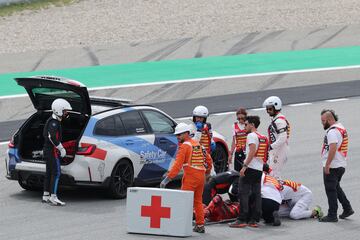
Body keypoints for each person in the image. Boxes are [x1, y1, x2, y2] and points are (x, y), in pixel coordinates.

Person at [160, 123, 212, 233]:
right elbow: (209, 160)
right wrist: (207, 173)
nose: (177, 137)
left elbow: (178, 165)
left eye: (179, 135)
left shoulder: (184, 147)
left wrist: (167, 179)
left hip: (191, 177)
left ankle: (181, 226)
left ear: (187, 133)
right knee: (198, 202)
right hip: (201, 176)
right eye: (176, 135)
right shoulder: (199, 145)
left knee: (183, 201)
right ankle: (200, 225)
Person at [229, 116, 268, 228]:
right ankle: (254, 220)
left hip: (250, 168)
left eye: (246, 124)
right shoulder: (263, 137)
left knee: (243, 193)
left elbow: (251, 151)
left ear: (252, 124)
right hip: (259, 169)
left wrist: (244, 166)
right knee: (256, 194)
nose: (244, 127)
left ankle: (242, 219)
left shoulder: (251, 136)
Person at [319, 109, 354, 222]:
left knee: (330, 190)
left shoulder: (332, 132)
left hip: (333, 166)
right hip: (341, 164)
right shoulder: (341, 127)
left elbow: (333, 148)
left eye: (324, 121)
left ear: (330, 120)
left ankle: (332, 214)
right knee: (336, 187)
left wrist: (327, 165)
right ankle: (347, 208)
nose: (322, 123)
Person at [42, 98, 72, 206]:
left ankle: (46, 195)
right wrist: (61, 148)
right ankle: (53, 197)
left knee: (49, 172)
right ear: (59, 110)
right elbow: (52, 137)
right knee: (56, 173)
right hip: (52, 151)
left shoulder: (54, 120)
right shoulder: (53, 123)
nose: (66, 113)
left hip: (49, 150)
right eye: (65, 111)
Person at [263, 96, 290, 179]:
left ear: (276, 107)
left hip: (280, 150)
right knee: (272, 173)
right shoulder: (276, 119)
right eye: (267, 109)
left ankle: (277, 191)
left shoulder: (279, 121)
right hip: (277, 150)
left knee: (274, 174)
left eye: (270, 109)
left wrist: (270, 147)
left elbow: (283, 138)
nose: (268, 111)